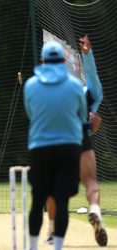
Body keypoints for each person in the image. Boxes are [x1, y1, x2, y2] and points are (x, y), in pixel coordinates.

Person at [23, 41, 87, 250]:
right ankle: (57, 247)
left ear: (43, 61)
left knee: (38, 199)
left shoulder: (31, 84)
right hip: (69, 148)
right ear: (63, 61)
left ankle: (32, 247)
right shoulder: (75, 85)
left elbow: (31, 113)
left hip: (40, 147)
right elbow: (82, 115)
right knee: (62, 202)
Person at [45, 35, 107, 247]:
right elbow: (93, 77)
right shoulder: (88, 94)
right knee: (90, 181)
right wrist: (87, 55)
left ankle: (52, 231)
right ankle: (95, 210)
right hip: (79, 138)